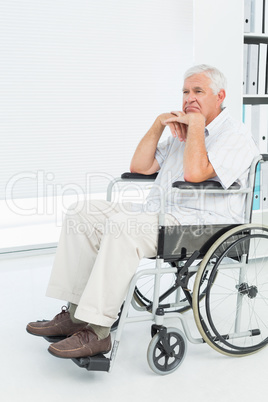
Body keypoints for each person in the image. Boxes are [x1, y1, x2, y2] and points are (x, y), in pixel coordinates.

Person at [26, 64, 259, 359]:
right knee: (81, 214)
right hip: (160, 213)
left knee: (123, 226)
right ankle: (76, 314)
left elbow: (196, 173)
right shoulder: (180, 133)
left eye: (198, 91)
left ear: (220, 95)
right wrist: (160, 123)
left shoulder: (235, 134)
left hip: (202, 224)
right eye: (185, 92)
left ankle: (98, 331)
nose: (189, 98)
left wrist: (197, 125)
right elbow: (140, 166)